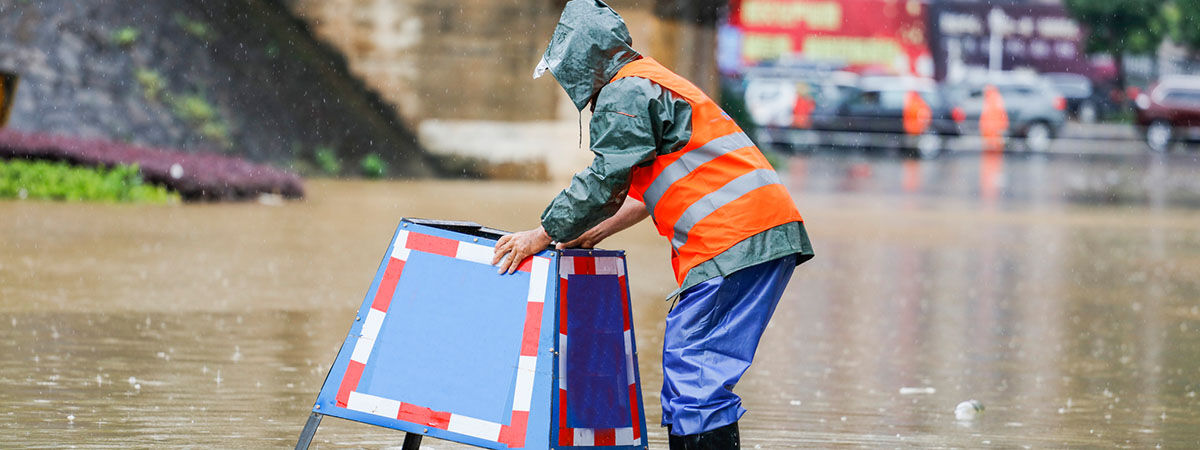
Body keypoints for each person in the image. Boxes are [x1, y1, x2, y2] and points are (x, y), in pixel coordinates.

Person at [491, 1, 813, 448]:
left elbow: (605, 180)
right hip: (755, 235)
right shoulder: (650, 80)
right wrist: (597, 230)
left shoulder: (624, 92)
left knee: (695, 374)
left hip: (732, 241)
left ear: (584, 58)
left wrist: (540, 235)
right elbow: (646, 186)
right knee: (696, 372)